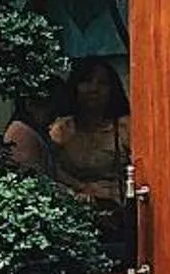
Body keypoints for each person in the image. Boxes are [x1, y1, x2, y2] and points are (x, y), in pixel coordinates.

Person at [48, 57, 131, 210]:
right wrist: (83, 188)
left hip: (117, 208)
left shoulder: (124, 127)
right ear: (75, 86)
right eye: (86, 81)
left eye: (103, 83)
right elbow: (48, 170)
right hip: (72, 208)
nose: (94, 88)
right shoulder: (62, 127)